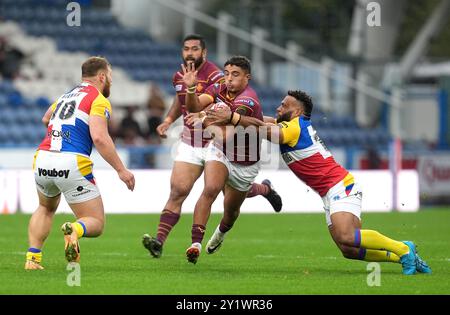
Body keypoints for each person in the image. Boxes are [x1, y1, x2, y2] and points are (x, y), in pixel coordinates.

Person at [204, 90, 431, 275]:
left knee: (347, 236)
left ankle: (402, 248)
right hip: (329, 191)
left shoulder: (294, 128)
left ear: (297, 110)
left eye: (284, 105)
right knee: (348, 250)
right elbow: (258, 121)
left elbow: (262, 129)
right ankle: (403, 253)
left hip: (341, 186)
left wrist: (232, 118)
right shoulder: (291, 125)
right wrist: (225, 113)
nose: (278, 108)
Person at [142, 36, 281, 259]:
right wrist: (171, 117)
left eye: (195, 49)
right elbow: (185, 101)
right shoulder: (184, 75)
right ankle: (165, 242)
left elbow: (226, 126)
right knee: (185, 190)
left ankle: (264, 189)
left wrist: (205, 119)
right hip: (197, 142)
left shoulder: (219, 77)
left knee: (230, 199)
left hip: (220, 143)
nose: (189, 53)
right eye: (186, 49)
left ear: (204, 53)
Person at [25, 56, 135, 270]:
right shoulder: (98, 99)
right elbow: (100, 138)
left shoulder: (66, 95)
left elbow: (46, 119)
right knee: (95, 221)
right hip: (72, 160)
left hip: (43, 157)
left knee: (45, 208)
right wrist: (121, 170)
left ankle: (33, 259)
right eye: (110, 75)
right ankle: (74, 229)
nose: (110, 79)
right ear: (102, 76)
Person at [182, 56, 268, 264]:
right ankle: (195, 244)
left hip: (245, 163)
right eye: (227, 73)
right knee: (210, 189)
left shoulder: (247, 100)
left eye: (235, 75)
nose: (228, 79)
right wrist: (192, 90)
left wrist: (204, 119)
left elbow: (226, 135)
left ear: (247, 78)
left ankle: (220, 234)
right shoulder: (220, 86)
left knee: (230, 212)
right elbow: (194, 107)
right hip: (221, 152)